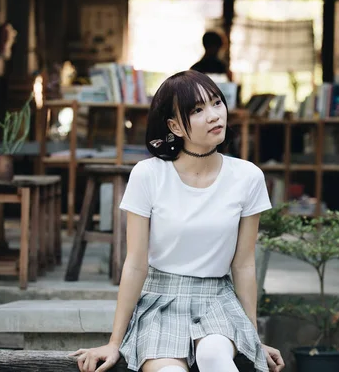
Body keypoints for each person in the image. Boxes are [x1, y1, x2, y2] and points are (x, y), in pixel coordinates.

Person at [69, 70, 285, 372]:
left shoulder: (248, 177)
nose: (213, 116)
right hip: (160, 301)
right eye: (197, 110)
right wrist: (114, 342)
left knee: (215, 357)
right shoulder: (148, 175)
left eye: (216, 103)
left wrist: (253, 337)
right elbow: (135, 263)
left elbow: (244, 264)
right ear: (174, 126)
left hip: (217, 299)